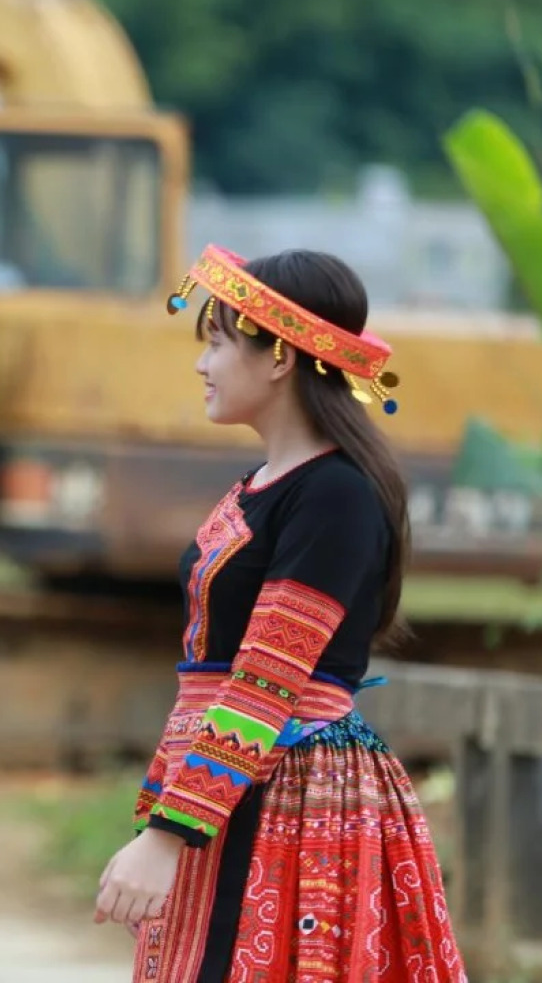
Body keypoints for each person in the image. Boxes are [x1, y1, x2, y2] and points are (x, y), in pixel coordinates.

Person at [94, 245, 465, 981]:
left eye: (218, 342)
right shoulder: (258, 484)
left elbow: (267, 679)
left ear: (278, 360)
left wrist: (168, 833)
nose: (202, 364)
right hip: (229, 781)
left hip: (289, 789)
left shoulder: (334, 496)